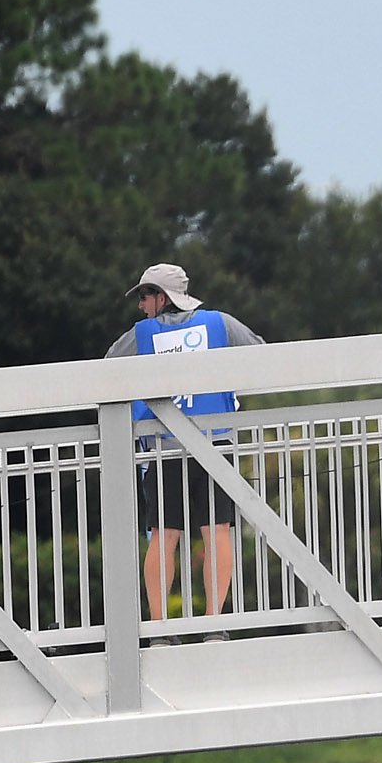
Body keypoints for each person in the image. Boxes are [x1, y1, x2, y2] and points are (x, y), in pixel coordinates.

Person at [104, 264, 267, 632]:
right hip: (216, 442)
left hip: (164, 449)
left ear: (162, 298)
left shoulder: (141, 335)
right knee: (217, 531)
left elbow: (106, 371)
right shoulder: (220, 324)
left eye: (145, 296)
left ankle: (160, 628)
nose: (141, 306)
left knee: (164, 536)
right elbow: (261, 354)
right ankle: (214, 624)